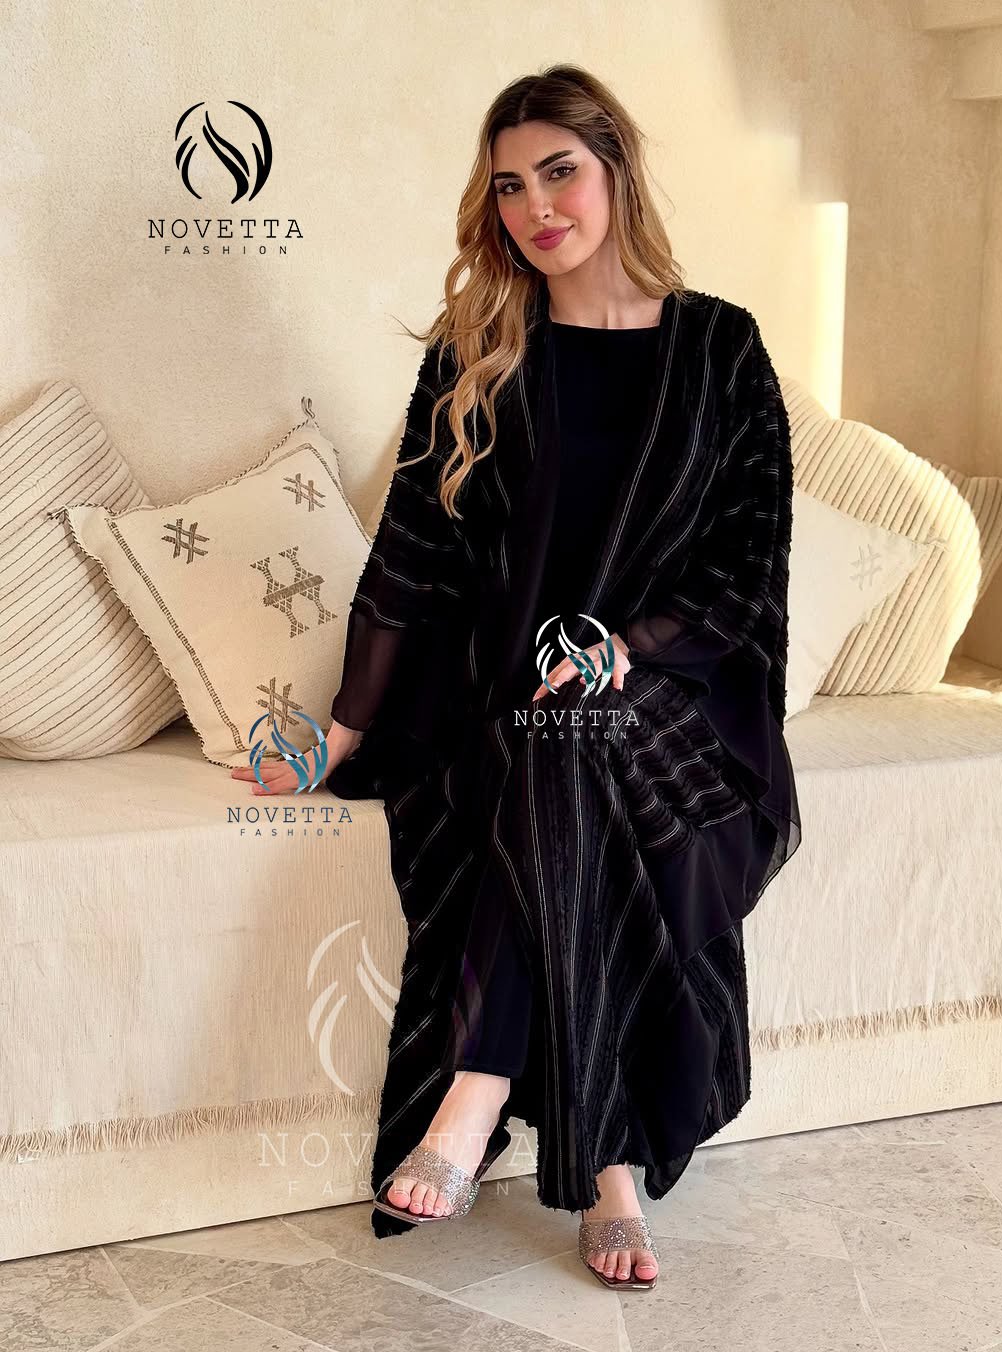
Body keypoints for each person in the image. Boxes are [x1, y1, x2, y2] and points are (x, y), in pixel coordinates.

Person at [231, 62, 801, 1292]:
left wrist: (624, 647)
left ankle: (475, 1090)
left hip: (683, 689)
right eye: (508, 186)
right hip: (507, 692)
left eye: (559, 172)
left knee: (578, 727)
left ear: (616, 171)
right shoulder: (478, 348)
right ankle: (611, 1171)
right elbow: (413, 549)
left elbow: (749, 563)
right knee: (560, 735)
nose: (536, 206)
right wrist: (342, 727)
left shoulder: (723, 347)